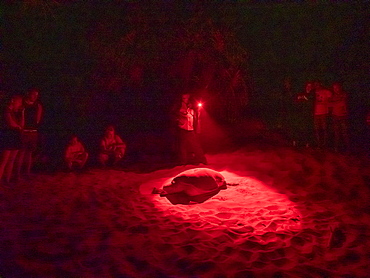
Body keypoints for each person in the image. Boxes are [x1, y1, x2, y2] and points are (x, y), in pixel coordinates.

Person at [172, 92, 207, 166]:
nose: (186, 99)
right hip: (182, 128)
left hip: (190, 128)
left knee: (195, 145)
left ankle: (201, 160)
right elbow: (173, 114)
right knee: (183, 146)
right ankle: (183, 162)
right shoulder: (178, 105)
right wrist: (178, 120)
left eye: (187, 97)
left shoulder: (191, 105)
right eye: (184, 98)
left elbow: (196, 115)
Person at [15, 88, 43, 179]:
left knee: (29, 153)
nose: (35, 97)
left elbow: (37, 120)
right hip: (24, 131)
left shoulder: (38, 106)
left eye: (37, 95)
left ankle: (27, 173)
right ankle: (17, 174)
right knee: (21, 153)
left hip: (33, 131)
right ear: (29, 94)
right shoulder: (22, 104)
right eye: (33, 94)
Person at [0, 95, 24, 186]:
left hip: (14, 136)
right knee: (4, 160)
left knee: (11, 159)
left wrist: (22, 113)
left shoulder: (15, 112)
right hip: (7, 136)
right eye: (19, 102)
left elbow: (22, 124)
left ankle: (7, 180)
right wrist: (18, 126)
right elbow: (11, 123)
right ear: (13, 100)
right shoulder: (6, 110)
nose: (20, 104)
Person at [291, 81, 315, 147]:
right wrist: (298, 98)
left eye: (310, 86)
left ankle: (307, 143)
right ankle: (295, 142)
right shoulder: (301, 93)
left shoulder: (312, 94)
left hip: (307, 114)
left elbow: (311, 103)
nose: (309, 87)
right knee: (298, 127)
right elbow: (295, 101)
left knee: (306, 128)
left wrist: (305, 98)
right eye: (308, 86)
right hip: (300, 113)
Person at [329, 82, 349, 152]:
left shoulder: (344, 94)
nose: (335, 89)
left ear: (340, 88)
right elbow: (330, 105)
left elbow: (343, 102)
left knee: (344, 133)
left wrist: (335, 102)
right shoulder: (333, 96)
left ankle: (347, 148)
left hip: (342, 116)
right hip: (335, 116)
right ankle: (336, 148)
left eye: (336, 87)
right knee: (336, 133)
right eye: (334, 88)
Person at [313, 81, 332, 149]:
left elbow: (331, 101)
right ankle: (318, 144)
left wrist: (329, 110)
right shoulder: (313, 93)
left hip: (324, 113)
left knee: (324, 129)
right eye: (315, 85)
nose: (316, 86)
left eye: (317, 84)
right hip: (316, 113)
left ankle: (325, 144)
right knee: (317, 129)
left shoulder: (326, 92)